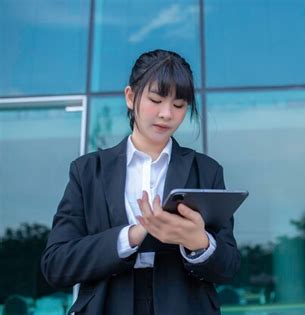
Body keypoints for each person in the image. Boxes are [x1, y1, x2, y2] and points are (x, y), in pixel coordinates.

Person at [41, 49, 241, 315]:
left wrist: (199, 242)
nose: (167, 114)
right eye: (156, 100)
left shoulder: (206, 171)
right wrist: (133, 235)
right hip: (108, 305)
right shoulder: (88, 171)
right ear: (130, 97)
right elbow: (56, 264)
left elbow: (229, 267)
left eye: (179, 105)